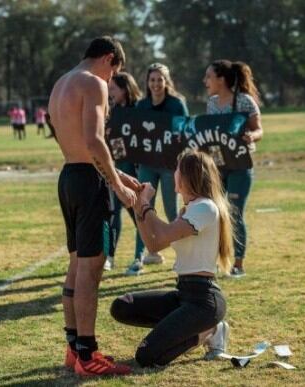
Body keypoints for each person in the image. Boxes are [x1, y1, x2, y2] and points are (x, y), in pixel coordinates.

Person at [48, 36, 140, 376]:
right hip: (89, 183)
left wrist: (118, 175)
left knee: (75, 265)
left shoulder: (62, 82)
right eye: (114, 71)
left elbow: (75, 142)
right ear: (109, 58)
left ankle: (74, 348)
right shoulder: (93, 83)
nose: (111, 80)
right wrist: (114, 184)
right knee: (92, 268)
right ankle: (88, 354)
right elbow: (94, 139)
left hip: (69, 175)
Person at [110, 149, 233, 367]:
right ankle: (185, 329)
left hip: (203, 301)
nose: (173, 173)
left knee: (146, 357)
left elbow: (164, 233)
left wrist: (146, 203)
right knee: (122, 305)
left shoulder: (205, 207)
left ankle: (208, 331)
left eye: (177, 169)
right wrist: (139, 205)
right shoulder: (189, 209)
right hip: (183, 295)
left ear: (188, 175)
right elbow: (154, 243)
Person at [125, 63, 189, 276]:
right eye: (152, 80)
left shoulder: (177, 104)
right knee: (142, 209)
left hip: (170, 166)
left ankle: (183, 257)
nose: (156, 84)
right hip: (147, 165)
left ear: (166, 81)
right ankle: (138, 256)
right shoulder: (142, 106)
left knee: (173, 212)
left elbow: (185, 132)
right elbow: (134, 134)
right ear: (147, 82)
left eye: (160, 79)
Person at [203, 60, 263, 278]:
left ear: (221, 79)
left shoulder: (244, 101)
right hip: (218, 166)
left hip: (240, 165)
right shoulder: (211, 104)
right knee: (216, 214)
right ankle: (217, 260)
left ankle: (238, 264)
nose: (205, 81)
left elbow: (259, 130)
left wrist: (251, 136)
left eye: (208, 76)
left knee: (235, 213)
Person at [103, 72, 142, 271]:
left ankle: (144, 251)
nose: (110, 93)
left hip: (135, 171)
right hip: (116, 171)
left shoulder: (140, 109)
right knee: (113, 213)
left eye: (113, 89)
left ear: (125, 88)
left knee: (137, 213)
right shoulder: (112, 110)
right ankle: (109, 256)